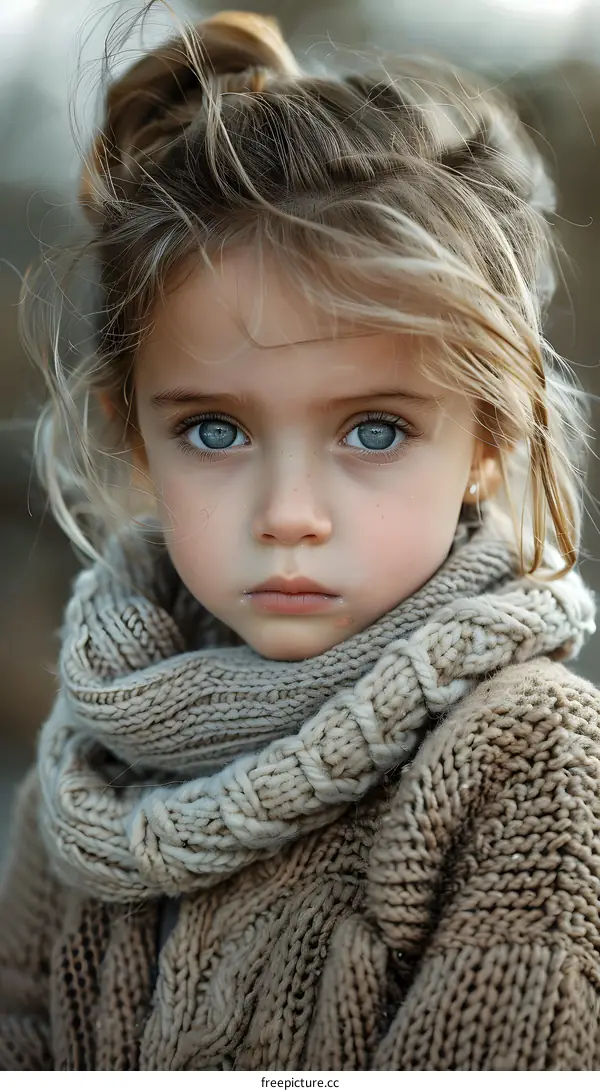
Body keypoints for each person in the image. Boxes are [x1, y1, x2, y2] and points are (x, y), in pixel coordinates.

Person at [1, 5, 599, 1072]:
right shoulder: (94, 744)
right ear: (133, 435)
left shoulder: (531, 759)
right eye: (214, 429)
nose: (287, 511)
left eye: (374, 429)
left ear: (490, 441)